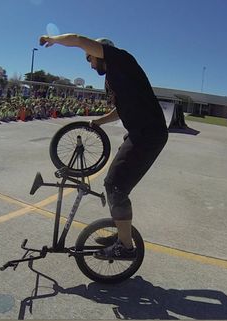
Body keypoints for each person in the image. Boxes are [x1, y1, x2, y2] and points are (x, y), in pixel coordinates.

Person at [39, 33, 168, 260]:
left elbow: (78, 39)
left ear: (99, 52)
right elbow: (121, 110)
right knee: (116, 185)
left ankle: (126, 248)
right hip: (139, 134)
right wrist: (99, 121)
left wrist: (54, 39)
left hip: (149, 135)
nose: (89, 64)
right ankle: (122, 234)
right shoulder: (114, 77)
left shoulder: (121, 60)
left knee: (115, 186)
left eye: (89, 58)